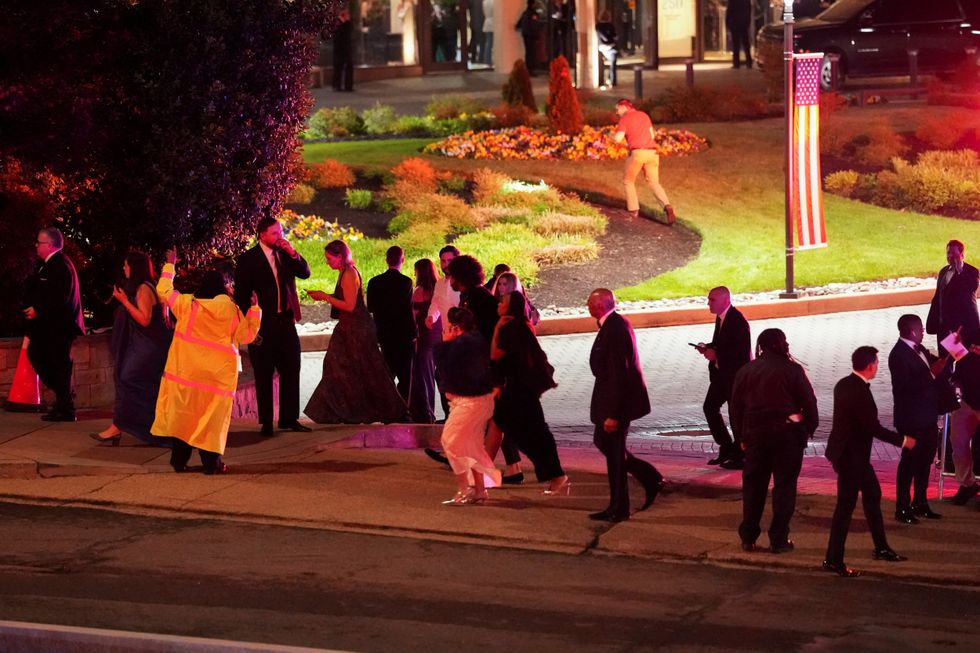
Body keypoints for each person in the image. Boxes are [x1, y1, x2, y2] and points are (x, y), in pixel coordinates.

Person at [151, 248, 261, 474]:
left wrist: (170, 264)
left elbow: (163, 290)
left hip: (187, 377)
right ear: (222, 288)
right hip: (216, 381)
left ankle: (178, 461)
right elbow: (246, 337)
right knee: (211, 423)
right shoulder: (231, 311)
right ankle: (212, 464)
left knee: (185, 420)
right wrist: (255, 310)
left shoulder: (187, 305)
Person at [823, 346, 913, 577]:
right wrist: (902, 441)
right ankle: (834, 559)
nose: (877, 367)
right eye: (877, 363)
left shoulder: (843, 384)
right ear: (871, 365)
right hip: (852, 459)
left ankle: (881, 547)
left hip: (849, 455)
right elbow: (872, 427)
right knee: (845, 507)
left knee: (873, 495)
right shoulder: (859, 392)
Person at [730, 328, 818, 553]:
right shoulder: (792, 370)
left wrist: (740, 436)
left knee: (753, 488)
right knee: (784, 488)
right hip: (787, 436)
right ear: (781, 344)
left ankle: (748, 537)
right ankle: (778, 539)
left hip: (756, 436)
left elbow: (735, 407)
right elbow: (809, 403)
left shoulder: (746, 371)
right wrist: (807, 428)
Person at [304, 240, 409, 424]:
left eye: (329, 258)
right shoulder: (343, 273)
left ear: (340, 256)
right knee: (341, 368)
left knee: (367, 369)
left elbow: (350, 306)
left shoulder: (349, 274)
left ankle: (388, 410)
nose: (327, 262)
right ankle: (344, 410)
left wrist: (325, 296)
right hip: (347, 327)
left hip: (356, 329)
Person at [587, 288, 664, 522]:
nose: (587, 306)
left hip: (616, 404)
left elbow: (620, 372)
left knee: (614, 453)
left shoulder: (615, 328)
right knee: (605, 444)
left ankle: (619, 507)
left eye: (589, 303)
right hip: (612, 400)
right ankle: (648, 477)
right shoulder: (613, 325)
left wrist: (614, 414)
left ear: (600, 306)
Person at [234, 216, 312, 437]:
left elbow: (305, 273)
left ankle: (289, 418)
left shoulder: (285, 255)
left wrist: (293, 252)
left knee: (291, 368)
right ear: (262, 235)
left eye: (281, 232)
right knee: (263, 372)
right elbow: (240, 293)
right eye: (275, 233)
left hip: (285, 322)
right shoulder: (249, 259)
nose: (280, 236)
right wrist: (249, 314)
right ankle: (267, 421)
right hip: (263, 324)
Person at [92, 251, 174, 446]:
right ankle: (119, 427)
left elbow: (144, 319)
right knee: (132, 383)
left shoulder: (144, 289)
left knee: (128, 379)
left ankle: (141, 428)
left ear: (134, 267)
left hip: (147, 349)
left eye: (126, 265)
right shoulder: (143, 287)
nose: (123, 268)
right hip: (142, 346)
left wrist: (125, 302)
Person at [492, 291, 568, 494]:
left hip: (520, 389)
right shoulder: (518, 325)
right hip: (520, 388)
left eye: (503, 302)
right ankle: (553, 474)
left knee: (533, 432)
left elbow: (495, 354)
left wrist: (498, 328)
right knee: (524, 429)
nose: (499, 304)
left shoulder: (511, 327)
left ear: (511, 306)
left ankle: (556, 474)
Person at [434, 307, 501, 505]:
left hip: (472, 402)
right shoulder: (474, 342)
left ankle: (464, 488)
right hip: (472, 401)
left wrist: (445, 345)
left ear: (457, 327)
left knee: (451, 442)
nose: (448, 330)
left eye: (451, 326)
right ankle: (479, 490)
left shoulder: (466, 345)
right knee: (470, 445)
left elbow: (447, 367)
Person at [888, 314, 949, 524]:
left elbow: (939, 365)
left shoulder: (920, 349)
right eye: (921, 328)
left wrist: (953, 345)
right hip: (911, 419)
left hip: (928, 416)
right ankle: (902, 507)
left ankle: (920, 502)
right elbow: (904, 387)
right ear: (913, 330)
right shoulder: (898, 355)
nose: (924, 331)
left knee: (925, 462)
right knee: (909, 463)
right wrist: (931, 374)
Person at [23, 227, 85, 422]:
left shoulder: (59, 265)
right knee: (47, 359)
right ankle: (63, 401)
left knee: (51, 361)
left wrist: (38, 309)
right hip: (53, 326)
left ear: (49, 245)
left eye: (39, 242)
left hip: (59, 327)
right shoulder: (51, 264)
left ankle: (65, 402)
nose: (36, 245)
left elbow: (60, 296)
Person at [694, 286, 751, 469]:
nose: (708, 303)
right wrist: (708, 347)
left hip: (734, 376)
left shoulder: (737, 320)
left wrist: (715, 354)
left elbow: (740, 353)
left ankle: (741, 454)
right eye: (709, 299)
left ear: (725, 300)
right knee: (710, 407)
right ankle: (726, 446)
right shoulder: (721, 318)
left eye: (712, 300)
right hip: (722, 375)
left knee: (736, 415)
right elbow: (723, 344)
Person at [612, 98, 677, 225]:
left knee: (628, 181)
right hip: (652, 153)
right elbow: (652, 136)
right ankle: (667, 206)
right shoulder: (644, 115)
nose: (616, 112)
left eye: (617, 109)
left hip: (637, 153)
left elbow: (618, 139)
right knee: (654, 183)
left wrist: (613, 136)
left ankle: (633, 210)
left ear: (624, 107)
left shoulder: (625, 118)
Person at [367, 246, 417, 401]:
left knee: (387, 373)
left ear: (386, 260)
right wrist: (414, 333)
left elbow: (370, 307)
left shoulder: (374, 282)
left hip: (384, 333)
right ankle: (403, 410)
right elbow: (407, 310)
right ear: (402, 260)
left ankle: (387, 408)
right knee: (405, 376)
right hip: (402, 334)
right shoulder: (406, 282)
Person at [926, 240, 979, 355]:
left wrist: (960, 271)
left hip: (963, 329)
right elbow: (939, 296)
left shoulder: (972, 272)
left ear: (962, 255)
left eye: (953, 253)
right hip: (944, 327)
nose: (950, 256)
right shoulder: (944, 272)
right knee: (944, 362)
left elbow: (971, 287)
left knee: (964, 362)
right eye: (948, 253)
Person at [948, 329, 980, 505]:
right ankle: (967, 483)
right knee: (957, 440)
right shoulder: (972, 332)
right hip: (967, 400)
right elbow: (953, 354)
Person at [409, 258, 440, 424]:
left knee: (424, 375)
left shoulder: (419, 291)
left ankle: (428, 412)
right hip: (438, 335)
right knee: (438, 375)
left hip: (425, 337)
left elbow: (413, 317)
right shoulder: (439, 288)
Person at [447, 255, 498, 344]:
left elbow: (477, 332)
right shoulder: (472, 294)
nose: (450, 280)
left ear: (459, 277)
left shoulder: (478, 298)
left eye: (451, 276)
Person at [516, 0, 541, 75]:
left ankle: (528, 69)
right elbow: (534, 26)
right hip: (531, 35)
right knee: (531, 53)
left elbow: (518, 24)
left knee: (528, 53)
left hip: (526, 35)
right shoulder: (533, 14)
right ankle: (530, 70)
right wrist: (537, 35)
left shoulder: (525, 13)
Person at [726, 0, 752, 69]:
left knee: (736, 44)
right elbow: (748, 10)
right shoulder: (746, 1)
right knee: (746, 43)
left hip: (735, 23)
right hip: (743, 23)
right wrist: (747, 22)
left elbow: (729, 11)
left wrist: (728, 22)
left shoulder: (733, 1)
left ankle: (736, 63)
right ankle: (749, 62)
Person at [332, 9, 354, 92]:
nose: (349, 16)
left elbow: (350, 31)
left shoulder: (347, 23)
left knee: (349, 65)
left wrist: (347, 22)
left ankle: (348, 86)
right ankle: (336, 85)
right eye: (347, 14)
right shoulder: (337, 23)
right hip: (339, 49)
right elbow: (338, 36)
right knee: (338, 67)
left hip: (347, 48)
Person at [596, 10, 618, 88]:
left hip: (602, 47)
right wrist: (612, 40)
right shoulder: (610, 26)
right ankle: (612, 81)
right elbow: (614, 37)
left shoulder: (598, 26)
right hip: (610, 46)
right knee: (613, 63)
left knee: (612, 61)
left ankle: (609, 79)